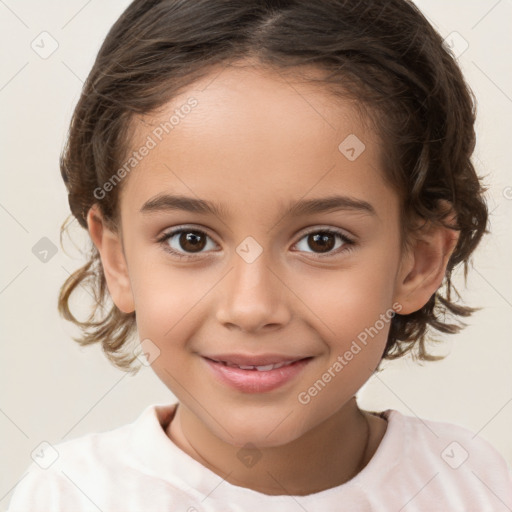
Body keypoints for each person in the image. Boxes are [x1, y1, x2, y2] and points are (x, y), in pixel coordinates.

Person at [7, 0, 512, 510]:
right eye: (190, 240)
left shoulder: (475, 487)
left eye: (322, 240)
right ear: (117, 258)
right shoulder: (67, 497)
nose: (250, 308)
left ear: (418, 261)